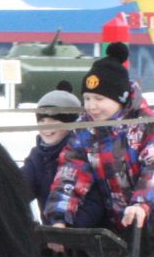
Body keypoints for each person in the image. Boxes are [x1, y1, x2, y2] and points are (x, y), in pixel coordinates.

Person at [45, 41, 154, 253]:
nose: (91, 106)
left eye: (99, 98)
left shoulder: (149, 125)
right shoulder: (85, 131)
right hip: (124, 230)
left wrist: (141, 203)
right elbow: (70, 175)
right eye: (87, 98)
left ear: (121, 98)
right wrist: (59, 220)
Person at [19, 83, 106, 228]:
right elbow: (20, 187)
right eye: (42, 121)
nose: (46, 127)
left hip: (87, 238)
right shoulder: (38, 157)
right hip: (53, 236)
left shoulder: (85, 154)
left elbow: (95, 203)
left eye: (54, 121)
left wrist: (67, 229)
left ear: (72, 124)